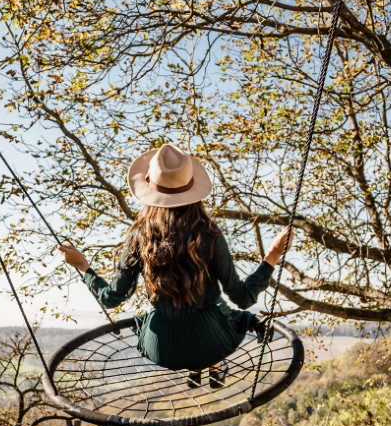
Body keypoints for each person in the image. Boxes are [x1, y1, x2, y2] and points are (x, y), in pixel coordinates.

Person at [57, 144, 293, 386]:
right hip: (212, 342)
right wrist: (273, 255)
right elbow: (242, 297)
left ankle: (197, 366)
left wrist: (83, 266)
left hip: (163, 348)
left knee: (160, 315)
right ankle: (211, 363)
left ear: (150, 191)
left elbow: (111, 298)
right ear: (192, 191)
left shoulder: (139, 237)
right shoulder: (208, 235)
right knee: (219, 305)